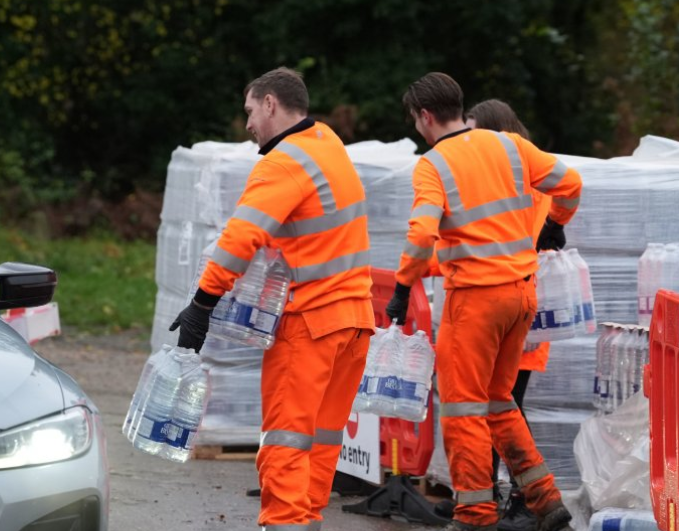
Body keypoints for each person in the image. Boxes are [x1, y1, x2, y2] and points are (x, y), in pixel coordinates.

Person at [170, 67, 374, 530]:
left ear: (270, 104)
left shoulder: (284, 162)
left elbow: (241, 238)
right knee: (319, 443)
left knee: (284, 442)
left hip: (311, 324)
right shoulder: (328, 143)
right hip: (354, 320)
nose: (247, 125)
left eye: (249, 111)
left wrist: (202, 304)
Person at [386, 73, 581, 531]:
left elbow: (421, 235)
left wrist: (401, 287)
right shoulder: (509, 146)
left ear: (425, 116)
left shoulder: (433, 165)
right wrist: (554, 223)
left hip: (474, 302)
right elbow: (569, 183)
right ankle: (546, 501)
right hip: (520, 297)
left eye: (416, 121)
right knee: (498, 401)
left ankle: (474, 516)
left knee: (463, 407)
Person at [466, 98, 561, 531]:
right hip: (518, 306)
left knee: (504, 409)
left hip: (507, 306)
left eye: (473, 132)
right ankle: (507, 500)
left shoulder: (513, 178)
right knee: (501, 407)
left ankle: (524, 502)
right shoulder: (532, 172)